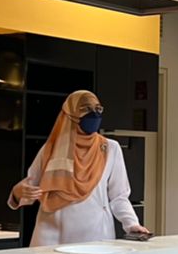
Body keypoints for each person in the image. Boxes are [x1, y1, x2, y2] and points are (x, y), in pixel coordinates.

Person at [8, 90, 151, 246]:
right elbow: (30, 186)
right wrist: (17, 193)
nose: (94, 114)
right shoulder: (51, 149)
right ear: (70, 114)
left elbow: (119, 196)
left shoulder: (110, 148)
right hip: (52, 233)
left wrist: (132, 224)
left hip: (94, 234)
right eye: (86, 109)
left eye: (98, 108)